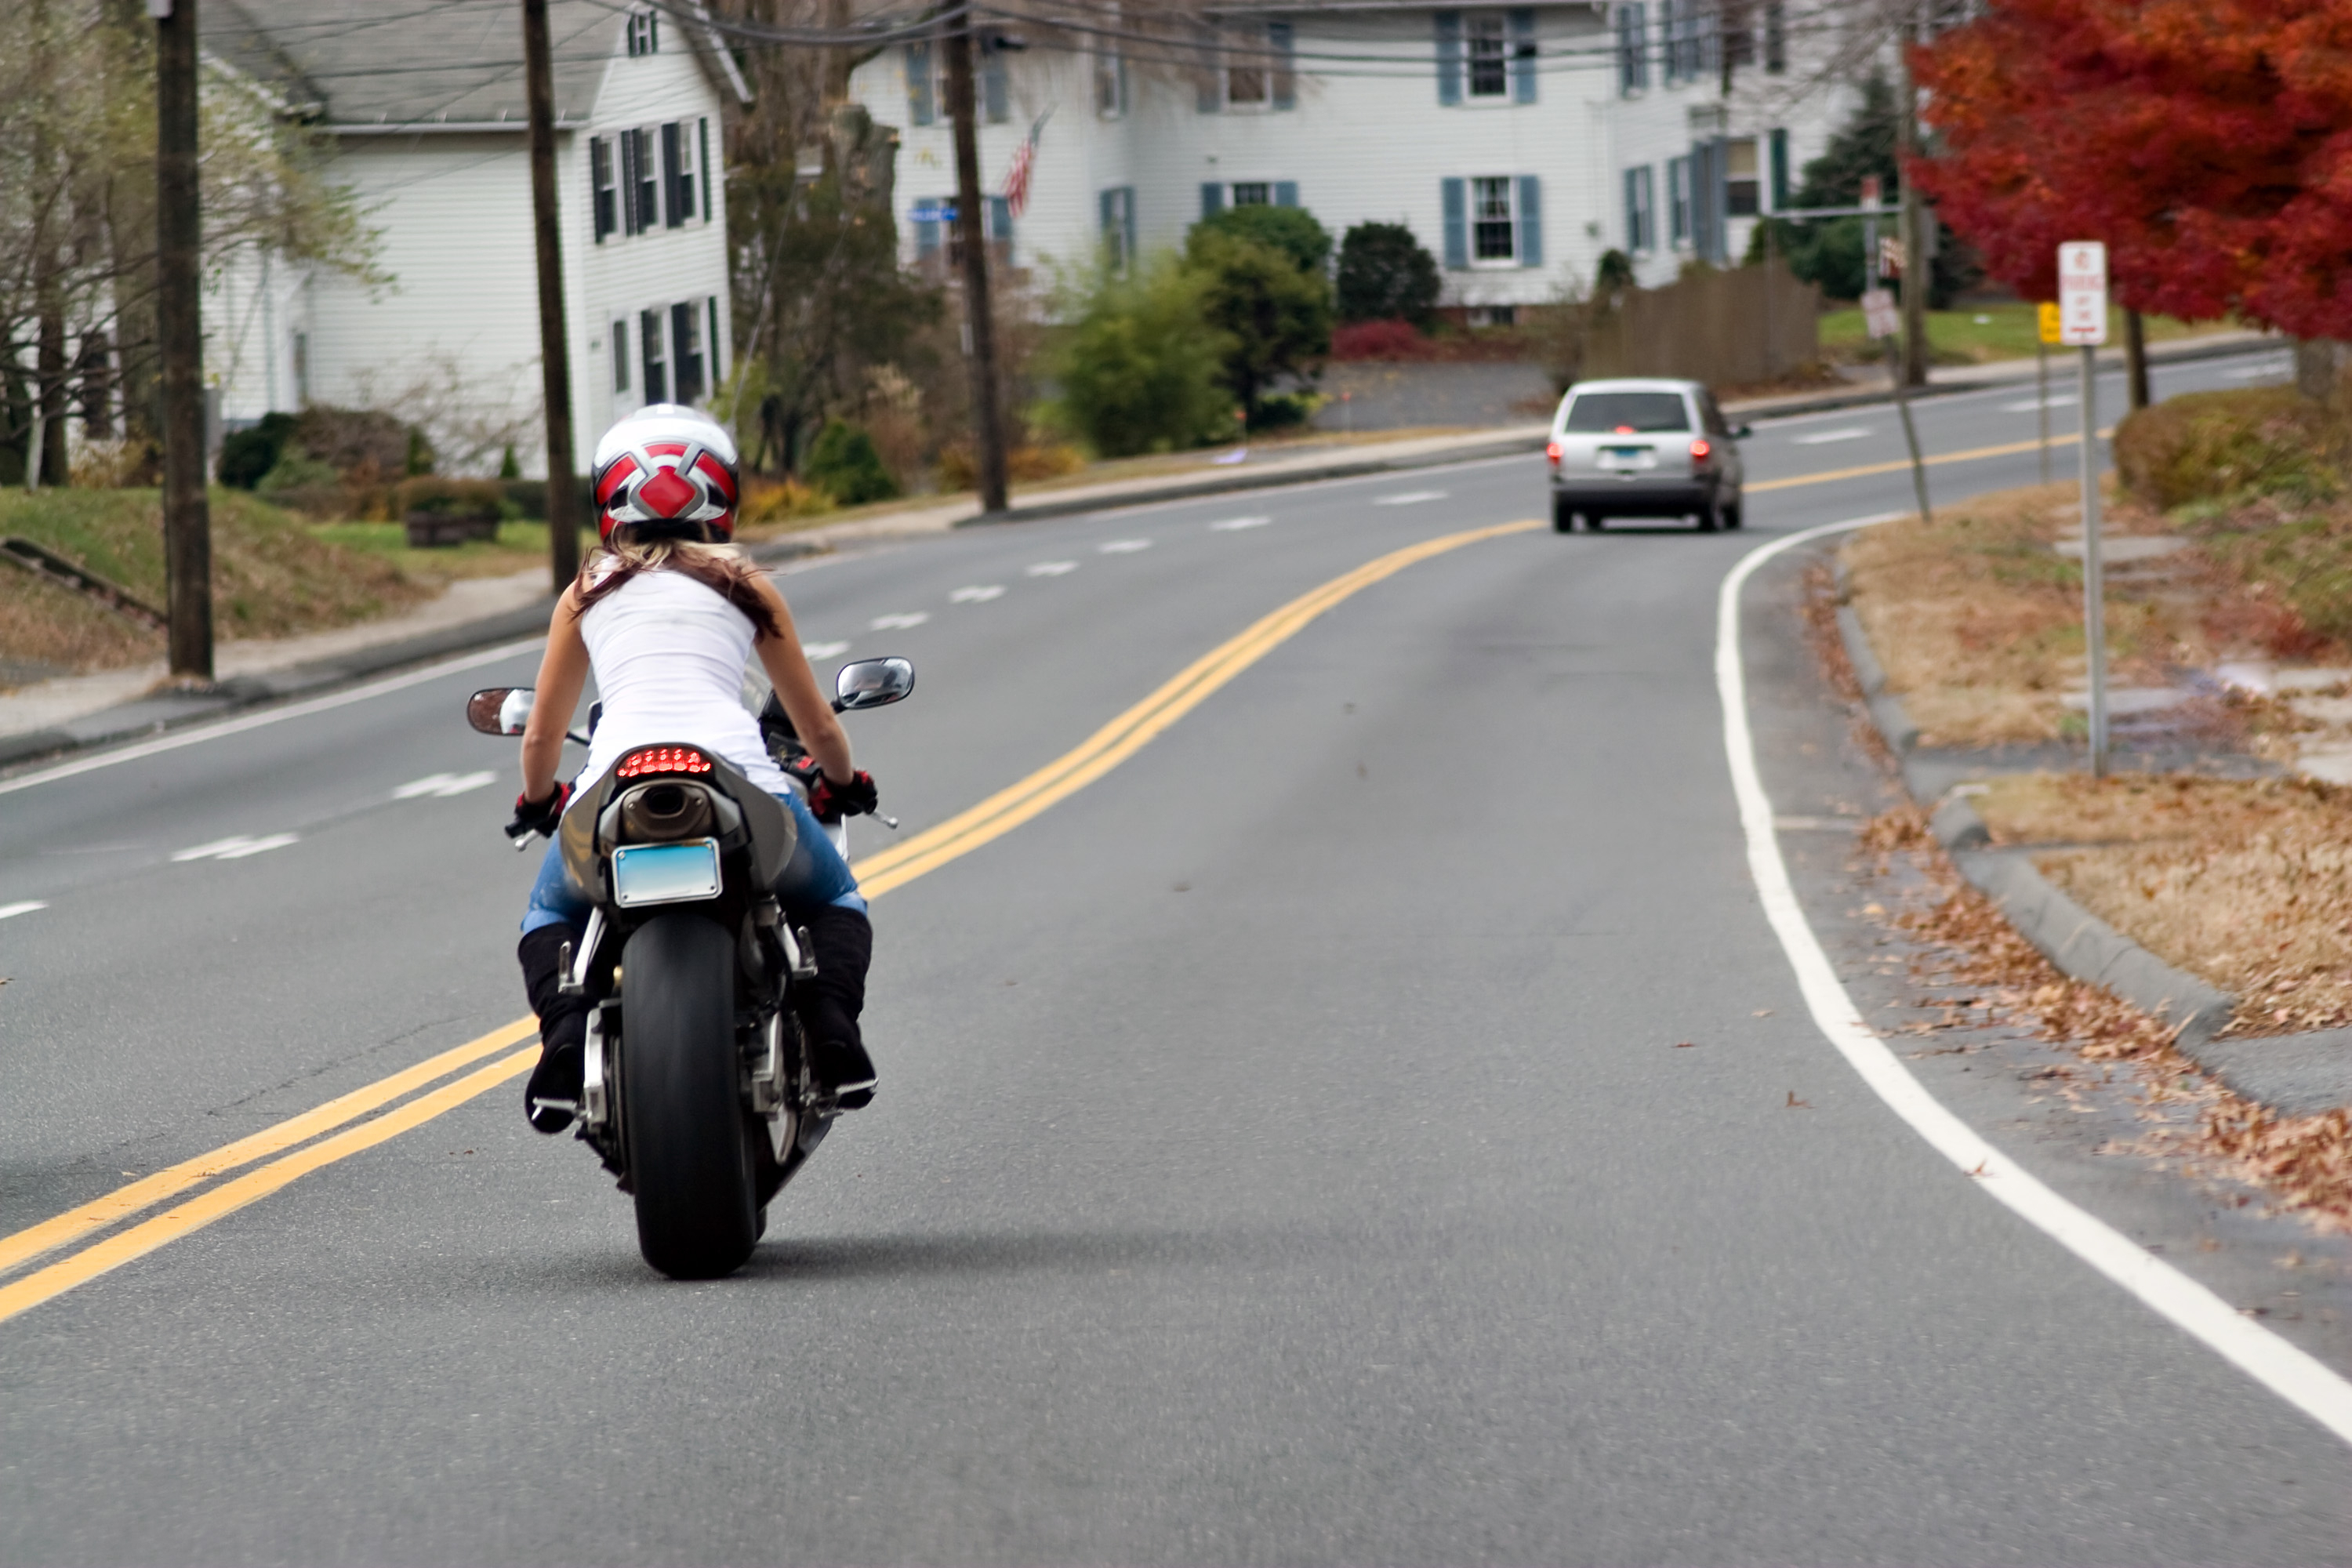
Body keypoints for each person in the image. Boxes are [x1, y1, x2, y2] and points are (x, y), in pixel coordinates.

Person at [508, 405, 880, 1134]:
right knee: (838, 904)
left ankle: (561, 1038)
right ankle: (834, 1033)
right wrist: (844, 781)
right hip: (740, 778)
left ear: (611, 498)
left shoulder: (584, 590)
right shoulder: (745, 584)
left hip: (614, 782)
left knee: (550, 915)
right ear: (721, 493)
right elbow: (816, 725)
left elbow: (543, 734)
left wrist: (538, 798)